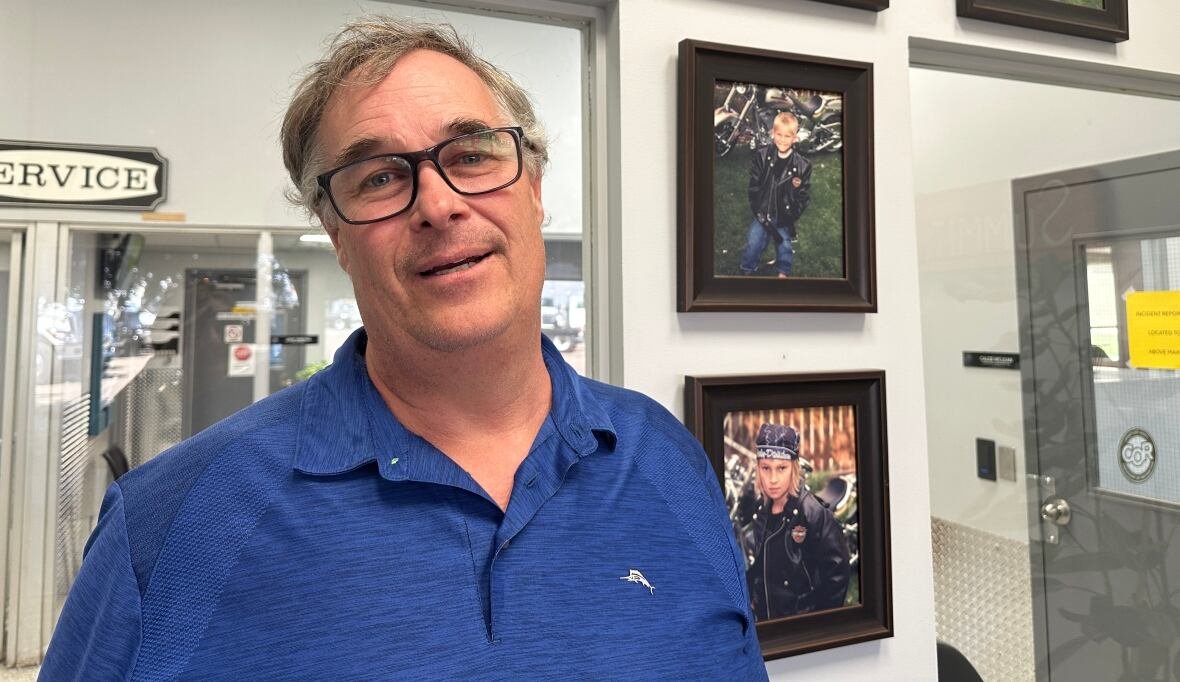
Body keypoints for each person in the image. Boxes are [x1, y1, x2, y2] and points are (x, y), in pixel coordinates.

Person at [40, 17, 765, 679]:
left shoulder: (668, 459)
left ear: (536, 190)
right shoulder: (171, 525)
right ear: (336, 235)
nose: (438, 204)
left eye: (473, 154)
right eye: (381, 176)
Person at [741, 423, 849, 620]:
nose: (772, 479)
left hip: (800, 626)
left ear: (794, 468)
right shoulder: (761, 511)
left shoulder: (814, 514)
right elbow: (759, 566)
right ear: (758, 468)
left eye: (781, 468)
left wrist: (819, 626)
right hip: (767, 622)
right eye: (766, 468)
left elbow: (837, 578)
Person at [739, 111, 812, 278]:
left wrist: (791, 216)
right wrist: (759, 211)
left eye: (788, 136)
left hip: (784, 215)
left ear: (795, 138)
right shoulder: (762, 156)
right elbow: (754, 188)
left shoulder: (803, 166)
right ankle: (747, 268)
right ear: (773, 133)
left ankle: (783, 272)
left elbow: (803, 196)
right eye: (779, 134)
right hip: (763, 212)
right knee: (754, 240)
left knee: (784, 243)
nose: (782, 139)